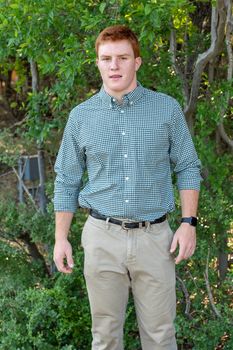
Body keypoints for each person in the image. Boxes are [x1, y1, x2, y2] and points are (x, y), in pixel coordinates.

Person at [53, 25, 202, 350]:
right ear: (97, 63)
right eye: (106, 58)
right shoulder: (81, 117)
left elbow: (188, 166)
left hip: (156, 239)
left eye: (122, 57)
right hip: (102, 236)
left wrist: (188, 224)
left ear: (137, 61)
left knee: (161, 337)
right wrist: (60, 238)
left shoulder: (166, 109)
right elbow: (66, 179)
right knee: (105, 338)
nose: (114, 65)